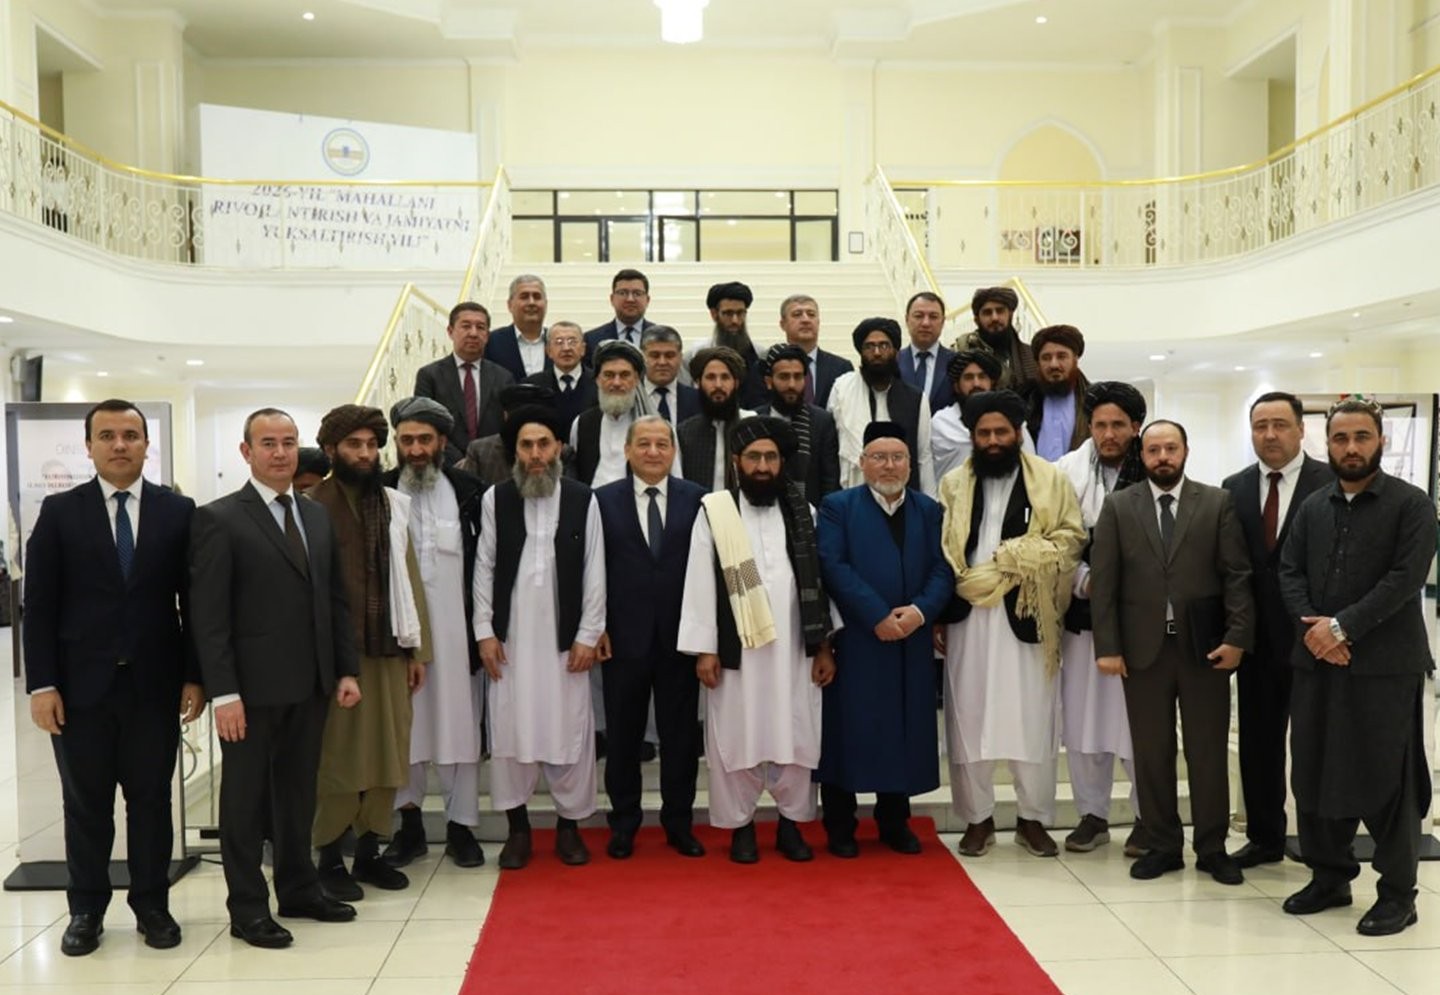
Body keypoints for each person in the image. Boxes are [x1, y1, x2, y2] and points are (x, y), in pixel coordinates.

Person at [23, 399, 203, 956]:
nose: (120, 444)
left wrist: (194, 676)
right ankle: (86, 910)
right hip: (80, 691)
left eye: (130, 434)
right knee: (86, 807)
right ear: (89, 446)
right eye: (107, 435)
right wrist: (42, 685)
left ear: (147, 444)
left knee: (151, 803)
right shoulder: (60, 512)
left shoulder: (178, 511)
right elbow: (40, 606)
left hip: (154, 686)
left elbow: (193, 602)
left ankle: (152, 905)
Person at [190, 408, 361, 949]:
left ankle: (299, 889)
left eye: (289, 442)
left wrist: (345, 669)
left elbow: (333, 600)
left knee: (297, 795)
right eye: (268, 443)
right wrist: (224, 692)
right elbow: (208, 617)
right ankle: (247, 907)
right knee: (245, 803)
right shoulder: (219, 519)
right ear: (246, 452)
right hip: (249, 692)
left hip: (310, 684)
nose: (281, 452)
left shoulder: (314, 515)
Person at [1279, 397, 1434, 937]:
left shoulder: (1412, 505)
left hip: (1385, 668)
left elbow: (1405, 579)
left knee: (1388, 778)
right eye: (1340, 438)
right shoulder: (1313, 507)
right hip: (1317, 663)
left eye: (1361, 437)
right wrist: (1317, 634)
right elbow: (1289, 571)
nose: (1350, 447)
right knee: (1315, 770)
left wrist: (1341, 628)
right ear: (1326, 443)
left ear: (1381, 441)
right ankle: (1329, 877)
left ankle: (1398, 894)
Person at [1090, 419, 1254, 885]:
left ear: (1185, 451)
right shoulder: (1119, 506)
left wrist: (1237, 638)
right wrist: (1108, 647)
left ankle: (1212, 847)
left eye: (1171, 448)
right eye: (1153, 450)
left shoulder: (1217, 502)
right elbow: (1104, 582)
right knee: (1151, 751)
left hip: (1205, 649)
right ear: (1141, 455)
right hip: (1142, 652)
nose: (1162, 457)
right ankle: (1162, 845)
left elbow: (1237, 575)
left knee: (1207, 751)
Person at [678, 417, 837, 863]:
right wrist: (705, 649)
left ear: (782, 462)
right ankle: (740, 828)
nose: (763, 466)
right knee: (736, 735)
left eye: (771, 458)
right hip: (737, 651)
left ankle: (791, 825)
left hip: (794, 648)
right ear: (737, 462)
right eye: (754, 457)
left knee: (797, 733)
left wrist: (824, 646)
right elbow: (699, 582)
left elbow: (821, 581)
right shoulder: (715, 511)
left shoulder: (804, 512)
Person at [938, 390, 1084, 858]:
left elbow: (1071, 538)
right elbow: (942, 550)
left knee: (1033, 717)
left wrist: (1022, 557)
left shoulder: (1050, 480)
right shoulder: (953, 484)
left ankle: (1032, 819)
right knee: (969, 716)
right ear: (973, 437)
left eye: (1002, 431)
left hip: (1028, 613)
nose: (993, 440)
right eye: (984, 433)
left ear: (1019, 433)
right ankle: (977, 819)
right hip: (969, 616)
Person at [475, 406, 606, 869]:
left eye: (543, 444)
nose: (535, 454)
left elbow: (595, 569)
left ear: (559, 449)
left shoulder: (583, 499)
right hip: (510, 640)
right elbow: (484, 565)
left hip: (564, 641)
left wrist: (588, 634)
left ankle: (569, 828)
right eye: (526, 446)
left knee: (569, 729)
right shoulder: (496, 498)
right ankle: (518, 830)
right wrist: (484, 632)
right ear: (515, 452)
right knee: (510, 730)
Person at [308, 405, 431, 900]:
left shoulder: (394, 505)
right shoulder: (311, 506)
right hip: (337, 655)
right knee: (338, 757)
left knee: (388, 753)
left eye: (371, 445)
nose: (364, 454)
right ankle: (328, 855)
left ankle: (368, 852)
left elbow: (410, 580)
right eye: (353, 445)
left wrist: (418, 651)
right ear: (332, 449)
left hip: (389, 647)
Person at [816, 422, 954, 857]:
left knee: (902, 727)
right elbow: (832, 565)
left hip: (910, 639)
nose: (889, 465)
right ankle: (840, 826)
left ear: (910, 465)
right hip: (856, 639)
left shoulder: (929, 510)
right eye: (879, 457)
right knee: (848, 730)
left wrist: (919, 612)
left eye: (897, 458)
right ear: (862, 463)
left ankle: (894, 822)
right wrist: (876, 614)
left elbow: (943, 567)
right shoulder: (838, 507)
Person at [1221, 391, 1331, 869]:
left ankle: (1319, 844)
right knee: (1259, 744)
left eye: (1280, 425)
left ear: (1301, 429)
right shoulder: (1235, 487)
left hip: (1315, 639)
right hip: (1259, 641)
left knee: (1313, 747)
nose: (1269, 435)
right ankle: (1265, 838)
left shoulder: (1330, 482)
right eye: (1260, 425)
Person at [380, 397, 488, 870]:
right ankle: (409, 828)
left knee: (460, 728)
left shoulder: (470, 491)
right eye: (407, 440)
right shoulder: (380, 492)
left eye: (425, 439)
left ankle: (461, 827)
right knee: (406, 732)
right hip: (399, 638)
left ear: (443, 441)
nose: (416, 449)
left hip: (458, 636)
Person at [593, 415, 706, 859]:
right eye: (644, 444)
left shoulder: (699, 500)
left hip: (682, 640)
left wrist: (709, 638)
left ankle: (679, 824)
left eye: (662, 444)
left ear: (674, 451)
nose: (653, 452)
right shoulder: (602, 501)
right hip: (623, 640)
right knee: (623, 738)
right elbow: (592, 570)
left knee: (681, 739)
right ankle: (624, 825)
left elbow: (711, 570)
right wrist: (596, 626)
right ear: (627, 450)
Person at [1054, 382, 1148, 854]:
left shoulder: (1155, 466)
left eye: (1118, 425)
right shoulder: (1064, 472)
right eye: (1100, 425)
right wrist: (1086, 580)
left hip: (1140, 618)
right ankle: (1092, 815)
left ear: (1136, 426)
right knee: (1084, 720)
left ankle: (1149, 817)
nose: (1109, 435)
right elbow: (1053, 538)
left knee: (1139, 724)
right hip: (1082, 612)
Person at [827, 317, 935, 494]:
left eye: (884, 345)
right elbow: (831, 450)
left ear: (896, 352)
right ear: (861, 352)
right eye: (869, 346)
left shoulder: (916, 398)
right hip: (853, 494)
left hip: (902, 494)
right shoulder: (841, 389)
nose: (877, 353)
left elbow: (924, 457)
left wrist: (929, 502)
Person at [414, 301, 515, 466]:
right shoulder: (429, 376)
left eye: (480, 327)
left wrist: (482, 458)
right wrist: (460, 461)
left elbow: (509, 426)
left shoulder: (504, 377)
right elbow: (426, 424)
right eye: (466, 326)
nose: (473, 333)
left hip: (492, 465)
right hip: (445, 465)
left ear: (487, 335)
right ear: (450, 331)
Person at [755, 343, 841, 508]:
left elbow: (829, 480)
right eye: (784, 377)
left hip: (810, 514)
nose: (792, 385)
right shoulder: (755, 419)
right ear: (769, 382)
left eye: (798, 377)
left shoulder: (822, 421)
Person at [571, 339, 651, 487]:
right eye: (609, 375)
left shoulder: (655, 427)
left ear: (636, 379)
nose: (616, 383)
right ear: (597, 379)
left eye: (624, 375)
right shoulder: (582, 423)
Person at [677, 346, 755, 492]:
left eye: (725, 377)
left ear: (736, 383)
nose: (718, 385)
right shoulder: (684, 432)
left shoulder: (752, 424)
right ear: (698, 382)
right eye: (710, 377)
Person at [683, 281, 766, 407]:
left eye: (740, 313)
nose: (735, 321)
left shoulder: (759, 354)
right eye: (728, 313)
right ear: (714, 314)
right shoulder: (695, 354)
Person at [460, 383, 557, 485]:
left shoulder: (561, 451)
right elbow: (468, 490)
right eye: (519, 417)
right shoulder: (481, 451)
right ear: (505, 416)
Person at [931, 349, 1004, 480]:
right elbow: (925, 466)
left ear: (992, 383)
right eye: (968, 378)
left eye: (982, 377)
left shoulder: (1009, 418)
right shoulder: (940, 422)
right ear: (956, 386)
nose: (976, 384)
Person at [955, 287, 1037, 395]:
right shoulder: (963, 350)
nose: (994, 318)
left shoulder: (1031, 355)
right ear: (977, 320)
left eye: (1000, 311)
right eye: (987, 313)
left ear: (1010, 315)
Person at [1026, 325, 1091, 461]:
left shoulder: (1094, 402)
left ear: (1075, 359)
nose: (1054, 365)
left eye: (1062, 356)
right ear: (1038, 363)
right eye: (1046, 358)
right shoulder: (1024, 400)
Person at [776, 293, 852, 408]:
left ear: (818, 322)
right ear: (783, 324)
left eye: (811, 314)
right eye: (797, 314)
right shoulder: (768, 365)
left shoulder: (841, 367)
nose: (806, 320)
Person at [524, 321, 596, 436]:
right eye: (559, 342)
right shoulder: (533, 386)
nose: (566, 348)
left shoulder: (599, 382)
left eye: (572, 341)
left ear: (583, 349)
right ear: (548, 351)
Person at [485, 274, 551, 381]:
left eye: (537, 297)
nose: (531, 302)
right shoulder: (491, 342)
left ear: (546, 304)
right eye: (524, 297)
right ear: (510, 305)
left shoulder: (558, 342)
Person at [898, 292, 955, 413]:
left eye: (933, 317)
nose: (926, 323)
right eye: (918, 316)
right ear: (907, 320)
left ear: (943, 322)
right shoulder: (894, 361)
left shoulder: (956, 362)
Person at [583, 268, 656, 362]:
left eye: (637, 293)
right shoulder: (591, 339)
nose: (630, 299)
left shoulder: (661, 337)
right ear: (612, 299)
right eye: (623, 293)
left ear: (647, 300)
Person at [640, 324, 700, 431]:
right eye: (655, 355)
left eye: (669, 355)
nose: (662, 362)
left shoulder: (698, 400)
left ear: (680, 358)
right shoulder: (631, 398)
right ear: (642, 357)